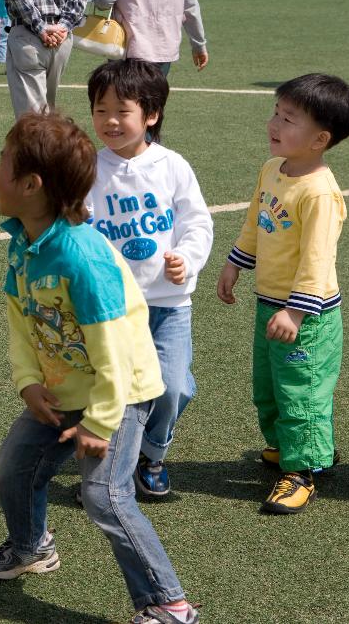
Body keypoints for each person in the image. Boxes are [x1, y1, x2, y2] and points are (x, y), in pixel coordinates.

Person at [0, 111, 197, 624]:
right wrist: (28, 381)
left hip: (118, 392)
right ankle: (31, 548)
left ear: (31, 185)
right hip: (62, 388)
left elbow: (114, 346)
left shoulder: (81, 256)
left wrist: (99, 421)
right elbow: (20, 316)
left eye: (4, 163)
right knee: (14, 465)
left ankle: (169, 603)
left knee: (104, 496)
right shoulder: (24, 242)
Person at [217, 74, 349, 515]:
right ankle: (288, 448)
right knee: (268, 388)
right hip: (269, 304)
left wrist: (296, 314)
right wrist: (235, 264)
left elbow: (317, 260)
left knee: (302, 392)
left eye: (289, 119)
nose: (274, 124)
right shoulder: (271, 169)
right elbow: (254, 223)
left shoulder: (319, 192)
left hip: (307, 318)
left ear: (320, 139)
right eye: (276, 113)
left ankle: (303, 471)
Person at [85, 60, 213, 498]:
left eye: (122, 111)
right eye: (100, 111)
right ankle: (107, 465)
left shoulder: (172, 166)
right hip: (114, 306)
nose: (110, 121)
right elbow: (76, 227)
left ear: (151, 114)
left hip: (168, 303)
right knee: (113, 388)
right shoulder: (89, 169)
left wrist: (187, 259)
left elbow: (198, 224)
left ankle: (151, 454)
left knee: (173, 387)